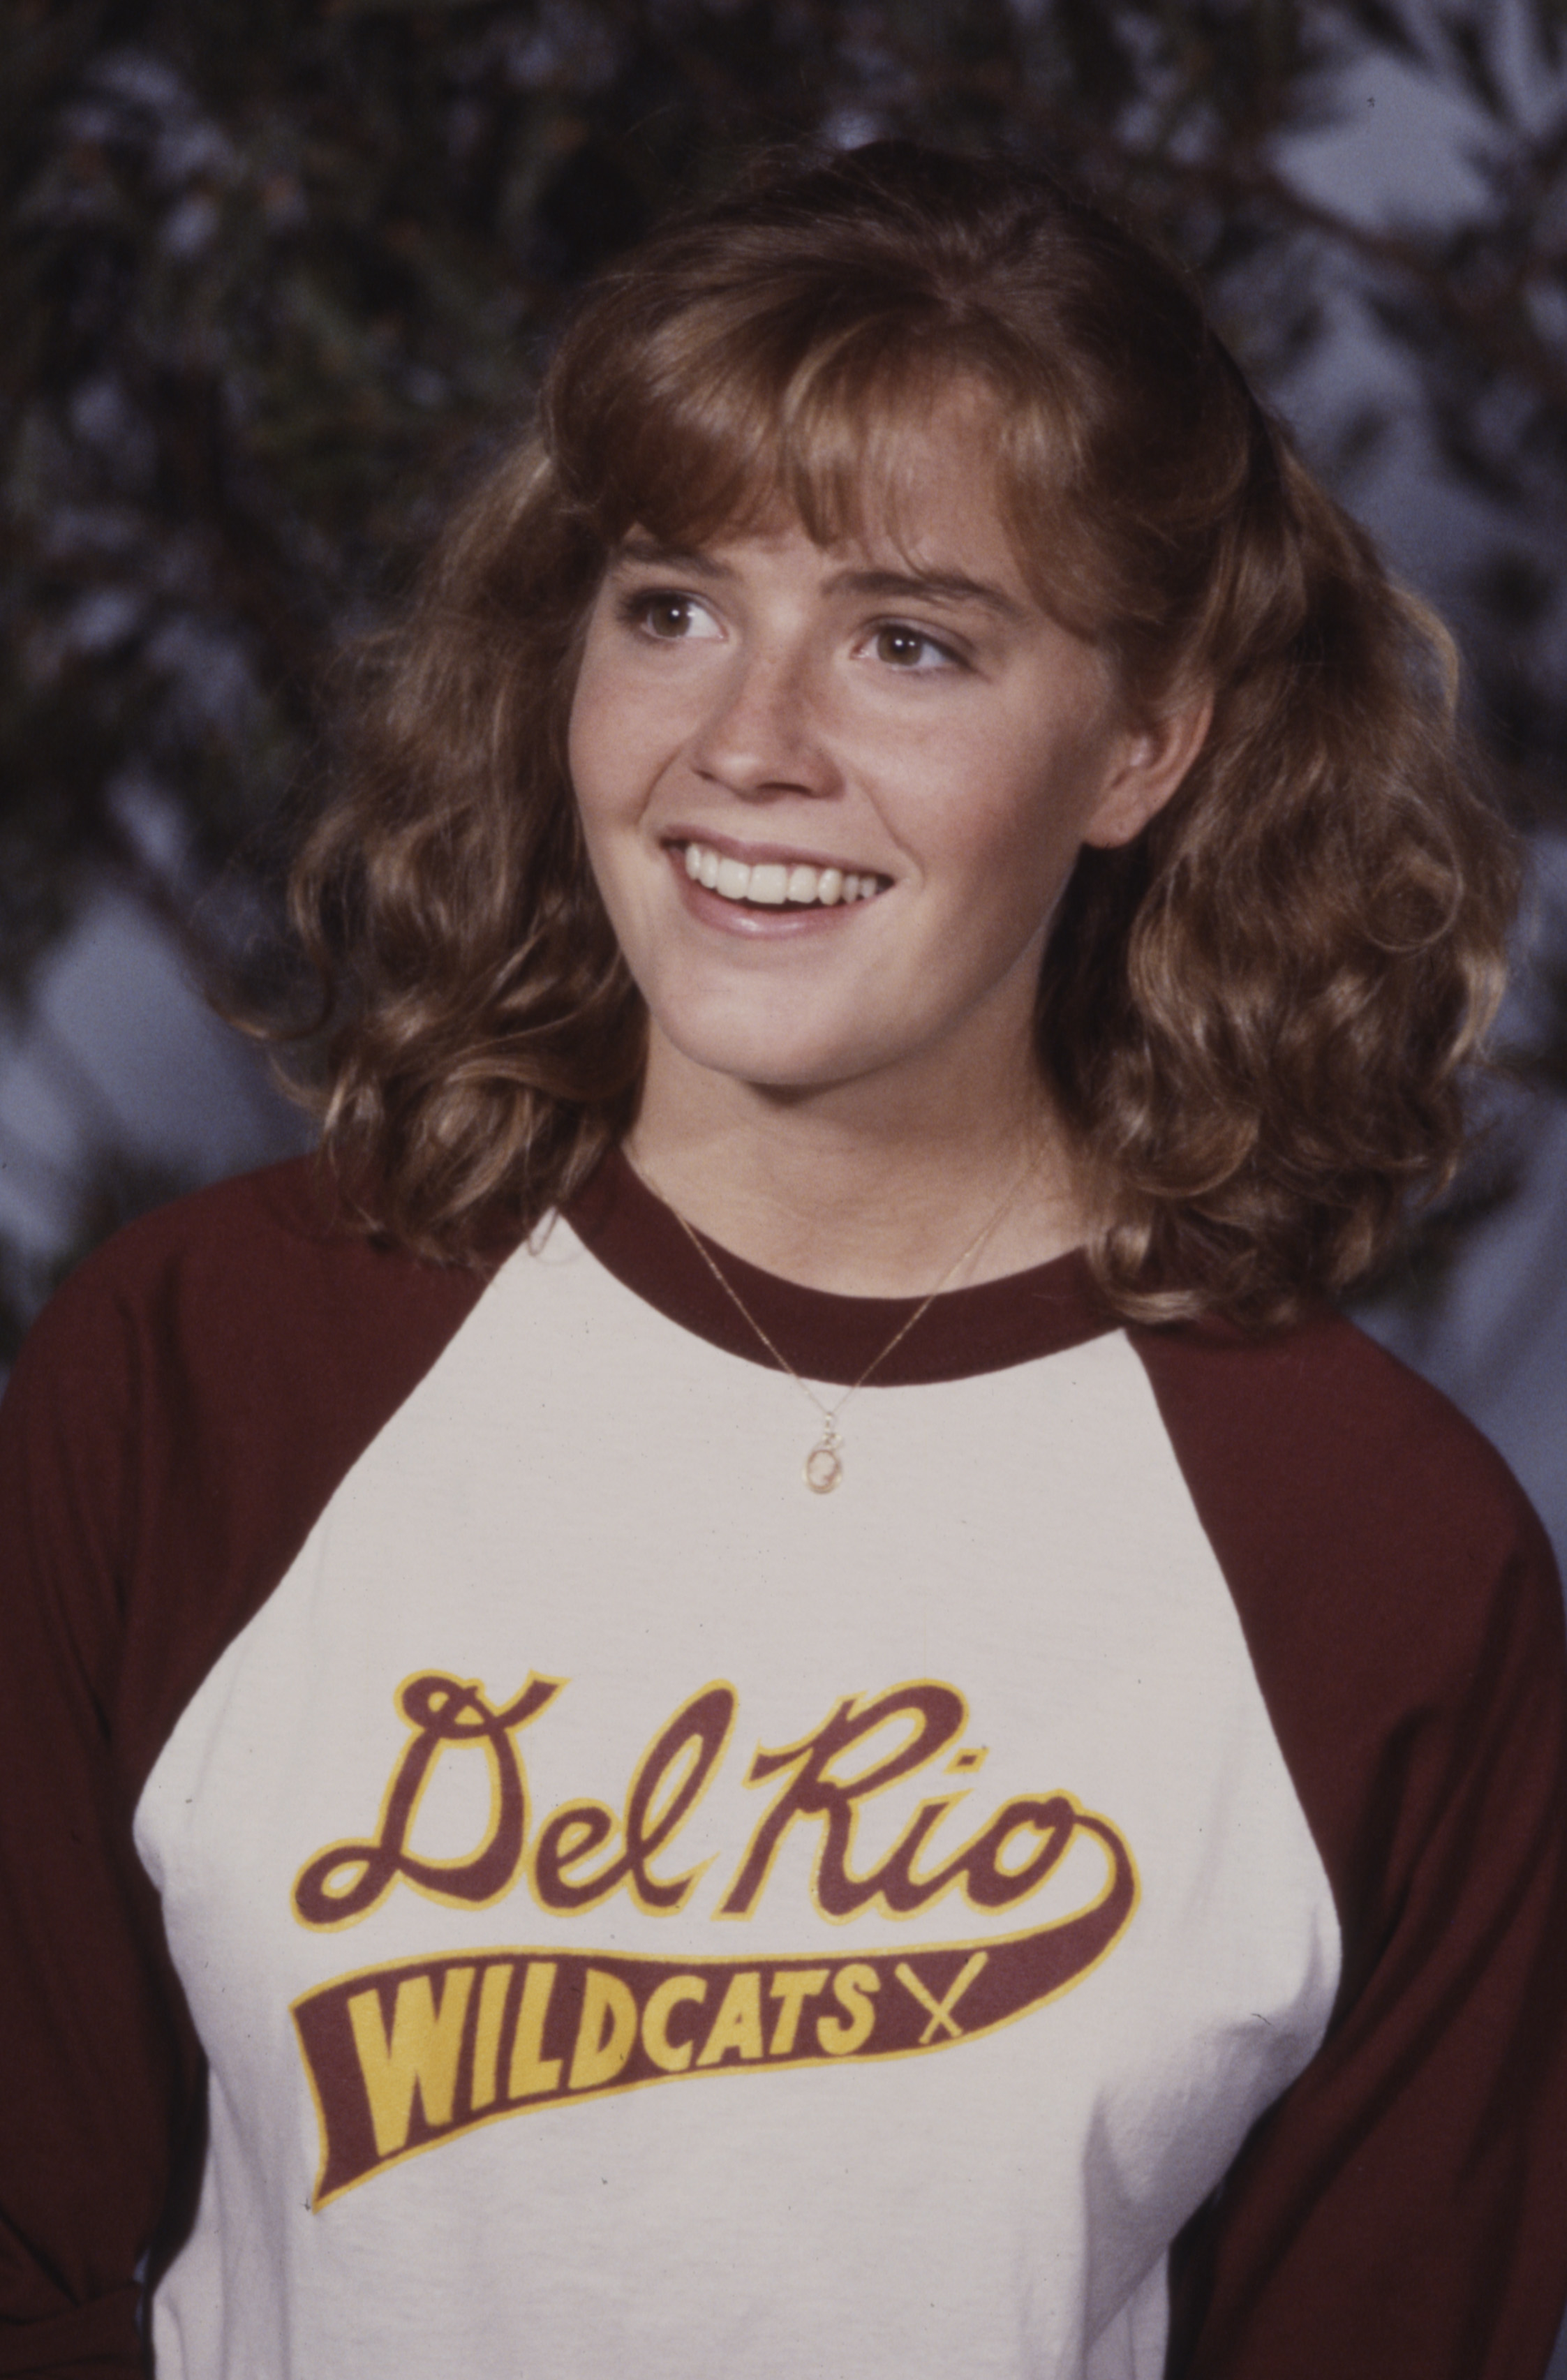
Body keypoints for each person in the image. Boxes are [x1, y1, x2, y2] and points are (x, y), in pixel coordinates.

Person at [2, 139, 1565, 2380]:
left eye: (909, 642)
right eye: (674, 608)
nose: (747, 746)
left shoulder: (1380, 1565)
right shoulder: (213, 1364)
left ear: (1143, 743)